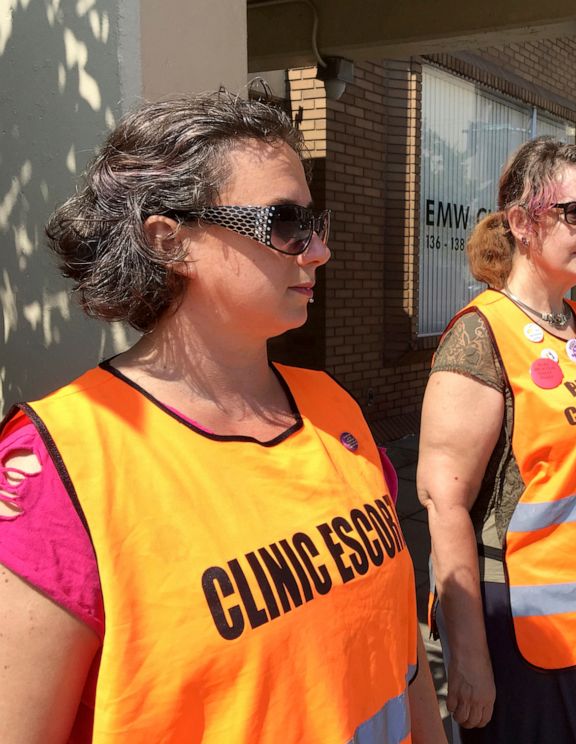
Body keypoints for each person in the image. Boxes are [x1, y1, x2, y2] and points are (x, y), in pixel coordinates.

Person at [0, 92, 444, 744]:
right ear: (169, 241)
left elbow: (401, 656)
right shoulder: (61, 467)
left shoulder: (332, 406)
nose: (317, 250)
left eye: (315, 222)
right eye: (286, 223)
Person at [418, 138, 576, 744]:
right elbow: (444, 505)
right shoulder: (481, 336)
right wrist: (469, 661)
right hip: (534, 631)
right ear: (522, 223)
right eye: (573, 213)